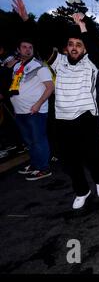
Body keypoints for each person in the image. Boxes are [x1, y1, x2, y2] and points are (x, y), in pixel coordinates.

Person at [12, 0, 99, 209]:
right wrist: (27, 20)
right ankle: (82, 190)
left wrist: (83, 26)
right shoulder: (59, 62)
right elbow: (40, 43)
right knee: (70, 160)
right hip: (63, 118)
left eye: (79, 45)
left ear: (84, 49)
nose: (74, 48)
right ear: (66, 49)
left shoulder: (91, 63)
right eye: (71, 45)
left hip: (86, 115)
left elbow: (94, 46)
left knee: (92, 155)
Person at [8, 36, 54, 180]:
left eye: (30, 47)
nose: (27, 50)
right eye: (24, 47)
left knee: (38, 139)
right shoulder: (16, 66)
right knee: (29, 141)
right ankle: (35, 164)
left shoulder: (39, 66)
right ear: (18, 50)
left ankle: (44, 168)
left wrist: (38, 104)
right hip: (20, 111)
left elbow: (50, 87)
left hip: (35, 111)